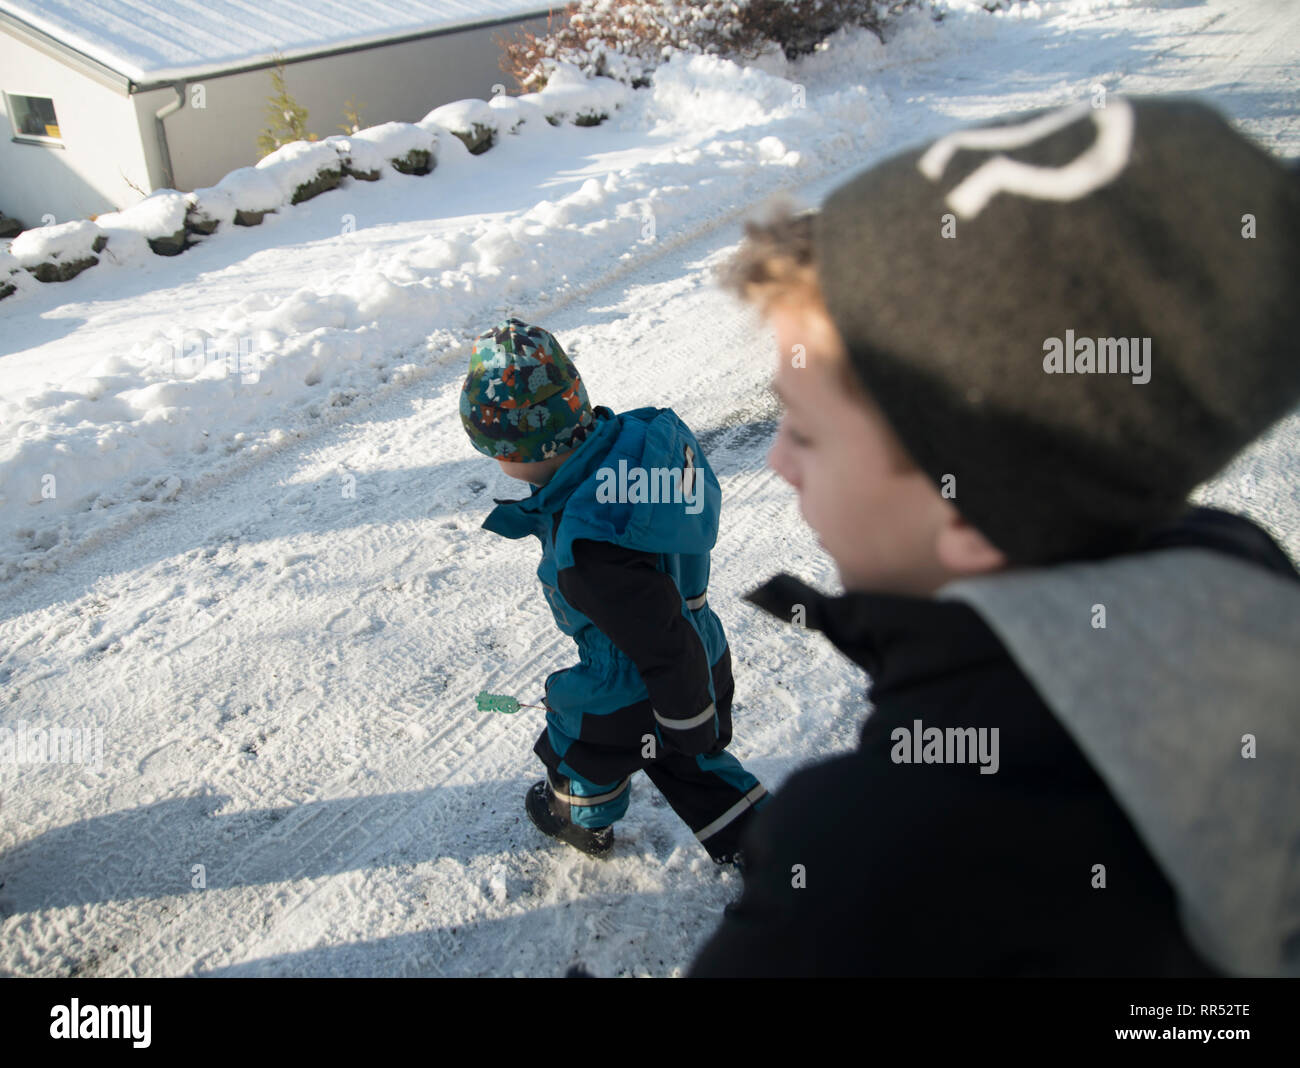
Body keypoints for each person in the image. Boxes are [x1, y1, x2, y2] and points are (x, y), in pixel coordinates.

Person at [688, 96, 1300, 976]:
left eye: (807, 433)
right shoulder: (1226, 565)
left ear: (972, 508)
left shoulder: (871, 858)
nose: (779, 462)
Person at [460, 318, 768, 862]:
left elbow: (658, 639)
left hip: (630, 682)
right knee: (697, 767)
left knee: (576, 747)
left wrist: (685, 717)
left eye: (497, 452)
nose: (498, 463)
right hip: (704, 648)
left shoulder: (589, 547)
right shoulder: (639, 448)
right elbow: (670, 627)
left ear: (525, 449)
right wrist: (693, 718)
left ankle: (581, 820)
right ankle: (775, 846)